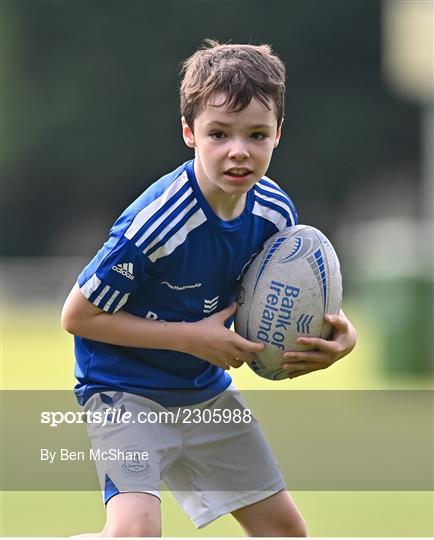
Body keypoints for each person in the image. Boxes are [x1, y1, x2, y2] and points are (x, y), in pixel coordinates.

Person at [61, 40, 357, 537]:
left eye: (256, 135)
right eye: (219, 133)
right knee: (134, 532)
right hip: (124, 391)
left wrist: (340, 339)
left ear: (278, 135)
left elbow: (287, 294)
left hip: (205, 392)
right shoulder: (156, 224)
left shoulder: (277, 214)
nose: (238, 151)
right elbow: (78, 316)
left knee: (287, 533)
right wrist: (191, 337)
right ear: (189, 133)